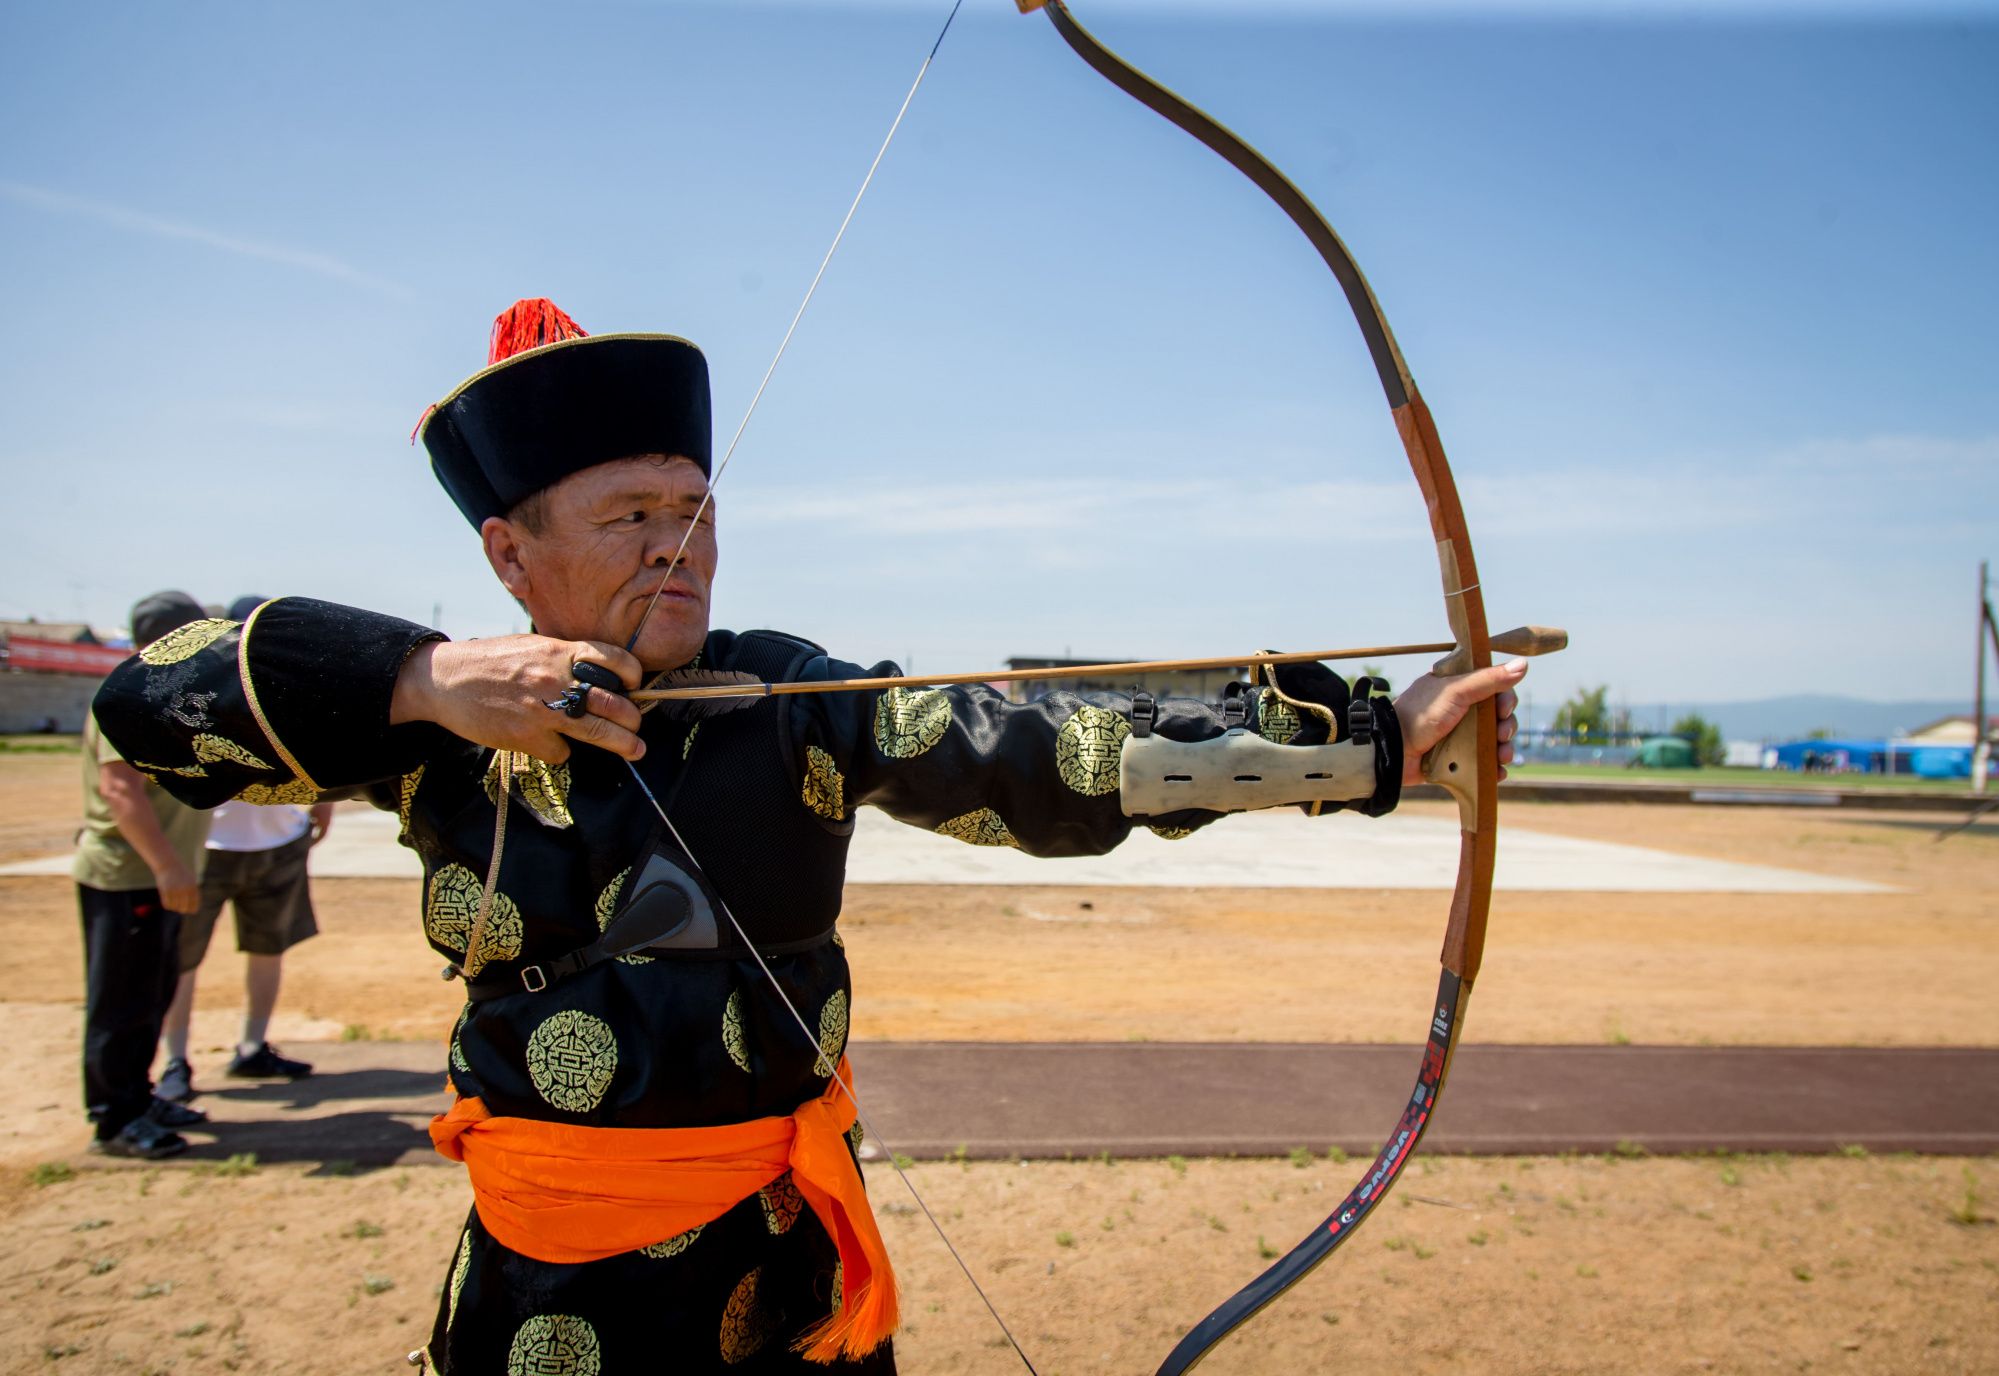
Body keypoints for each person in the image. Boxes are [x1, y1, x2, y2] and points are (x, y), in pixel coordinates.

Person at [91, 300, 1524, 1372]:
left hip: (780, 1255)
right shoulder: (433, 720)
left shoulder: (781, 692)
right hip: (558, 1286)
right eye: (629, 515)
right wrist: (425, 678)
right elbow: (150, 706)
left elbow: (1030, 750)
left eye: (695, 510)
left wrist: (1364, 747)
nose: (679, 545)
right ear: (509, 556)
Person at [155, 599, 333, 1100]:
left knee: (267, 950)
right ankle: (175, 1059)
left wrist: (322, 806)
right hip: (209, 848)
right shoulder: (196, 690)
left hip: (277, 845)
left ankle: (252, 1046)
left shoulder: (288, 689)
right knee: (184, 959)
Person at [73, 591, 216, 1159]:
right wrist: (167, 865)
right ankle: (115, 1118)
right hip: (128, 876)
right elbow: (118, 790)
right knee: (122, 1000)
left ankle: (139, 1093)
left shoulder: (157, 694)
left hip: (156, 878)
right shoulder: (123, 696)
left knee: (152, 992)